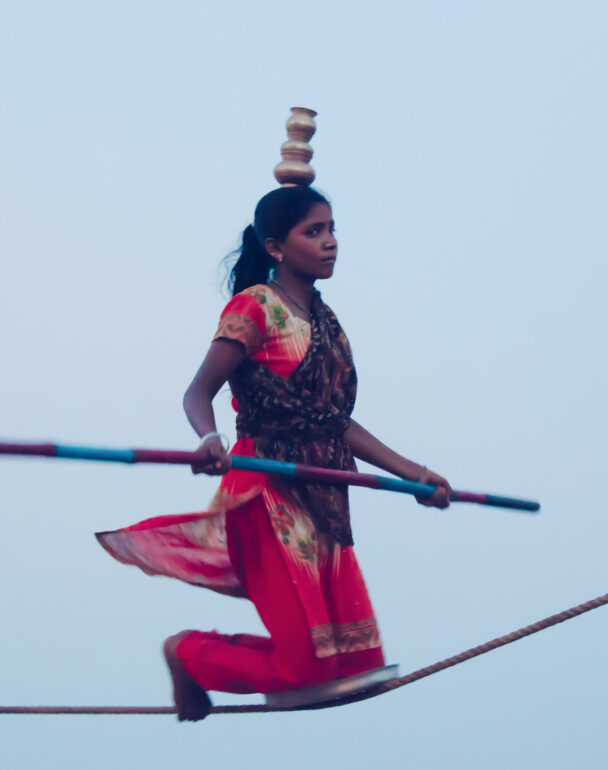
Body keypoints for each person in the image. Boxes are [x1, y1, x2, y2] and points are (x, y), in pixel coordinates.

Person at [97, 185, 451, 721]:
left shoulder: (328, 326)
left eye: (332, 230)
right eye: (315, 231)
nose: (330, 243)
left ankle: (212, 661)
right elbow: (198, 392)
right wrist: (209, 439)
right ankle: (189, 654)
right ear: (276, 247)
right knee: (307, 672)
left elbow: (334, 425)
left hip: (323, 498)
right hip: (268, 497)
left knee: (355, 664)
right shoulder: (255, 308)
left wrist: (416, 476)